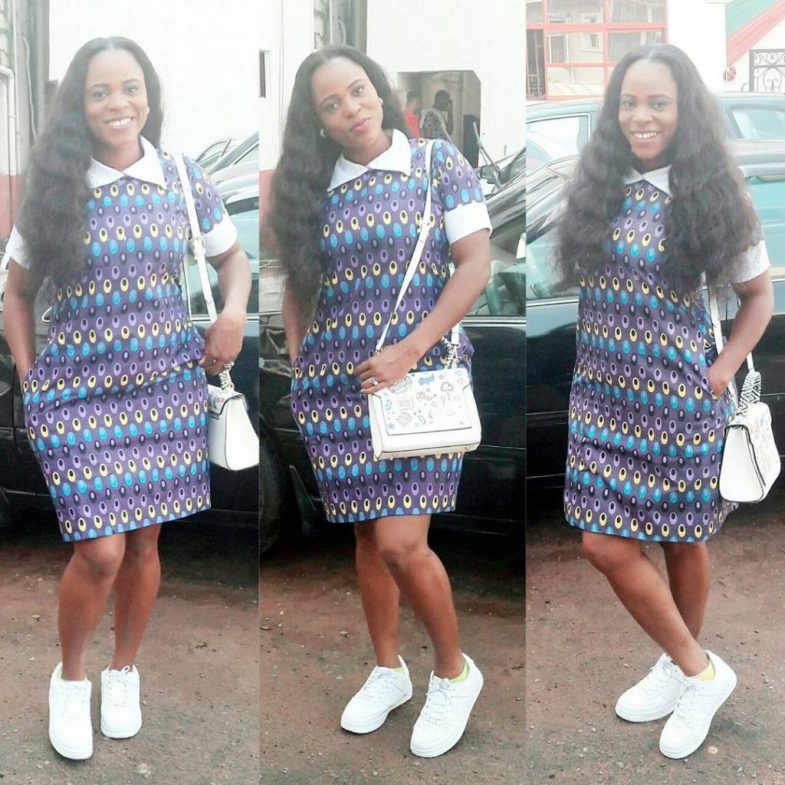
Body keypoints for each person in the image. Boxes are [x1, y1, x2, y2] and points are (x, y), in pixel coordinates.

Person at [3, 37, 251, 760]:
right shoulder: (55, 186)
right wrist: (31, 378)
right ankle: (70, 679)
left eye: (130, 87)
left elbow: (232, 258)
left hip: (165, 388)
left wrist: (233, 312)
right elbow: (15, 294)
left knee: (144, 543)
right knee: (100, 550)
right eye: (100, 91)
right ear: (78, 106)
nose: (119, 103)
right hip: (76, 395)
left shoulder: (181, 177)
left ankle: (123, 672)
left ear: (149, 94)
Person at [269, 45, 491, 758]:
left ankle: (454, 673)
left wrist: (409, 350)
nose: (351, 109)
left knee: (400, 541)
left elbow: (475, 265)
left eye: (358, 91)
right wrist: (301, 365)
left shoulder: (435, 164)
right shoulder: (312, 189)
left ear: (381, 90)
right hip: (337, 389)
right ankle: (388, 669)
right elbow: (298, 287)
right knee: (367, 536)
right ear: (317, 122)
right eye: (330, 104)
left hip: (418, 382)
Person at [555, 43, 773, 760]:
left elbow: (757, 297)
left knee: (683, 538)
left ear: (685, 111)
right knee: (601, 543)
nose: (639, 116)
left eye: (657, 102)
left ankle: (680, 667)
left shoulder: (713, 194)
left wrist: (723, 368)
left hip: (680, 403)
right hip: (600, 401)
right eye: (628, 102)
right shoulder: (597, 185)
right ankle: (699, 669)